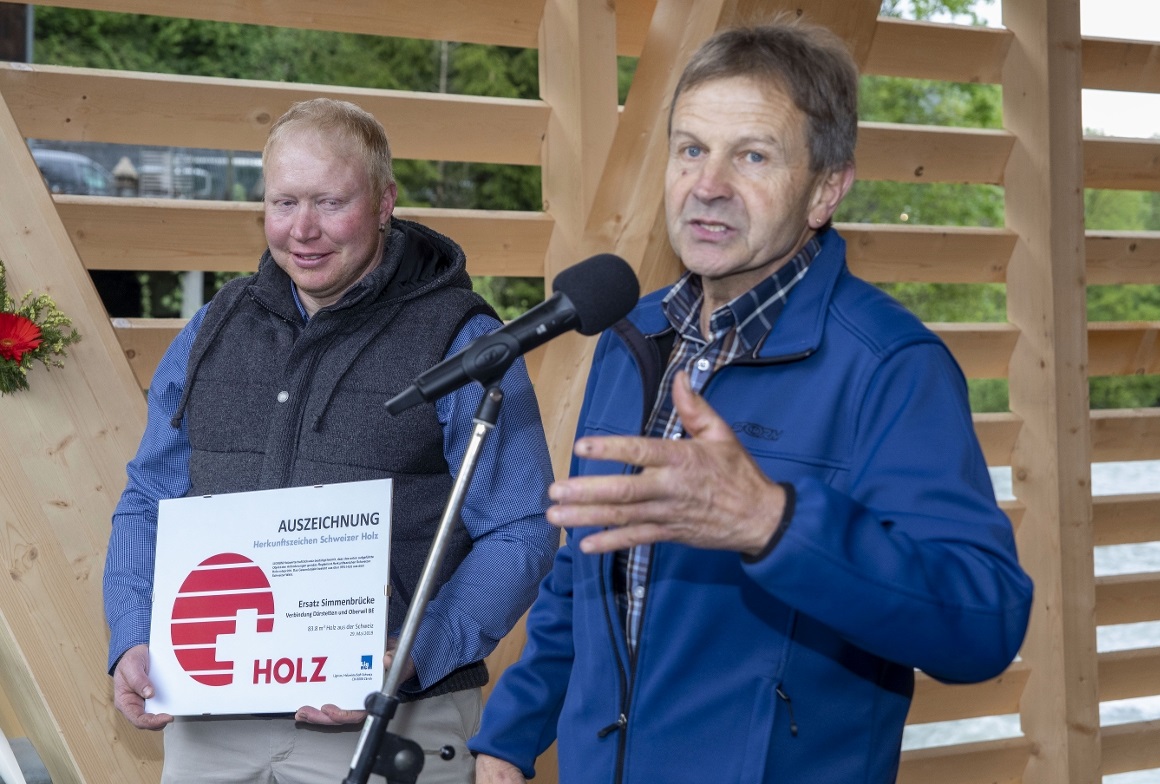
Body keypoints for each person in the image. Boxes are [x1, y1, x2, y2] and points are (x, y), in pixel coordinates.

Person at [469, 20, 1033, 784]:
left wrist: (773, 524)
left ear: (826, 189)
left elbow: (985, 623)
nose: (708, 185)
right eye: (692, 149)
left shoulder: (892, 367)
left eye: (753, 156)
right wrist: (510, 736)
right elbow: (589, 568)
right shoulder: (631, 336)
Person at [103, 97, 559, 783]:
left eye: (330, 202)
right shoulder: (211, 330)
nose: (303, 230)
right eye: (284, 203)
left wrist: (415, 648)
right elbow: (149, 497)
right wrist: (132, 631)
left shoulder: (463, 341)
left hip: (391, 722)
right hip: (213, 722)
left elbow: (523, 528)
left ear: (383, 202)